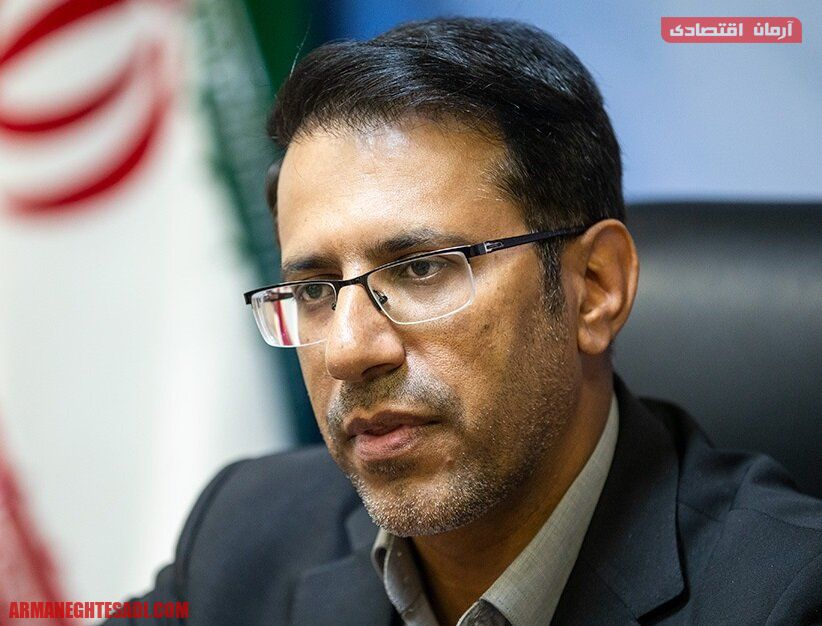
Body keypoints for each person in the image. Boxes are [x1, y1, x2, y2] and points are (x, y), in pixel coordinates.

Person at [106, 17, 822, 625]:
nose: (349, 349)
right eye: (316, 290)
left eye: (421, 269)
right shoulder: (244, 533)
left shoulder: (789, 596)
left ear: (595, 288)